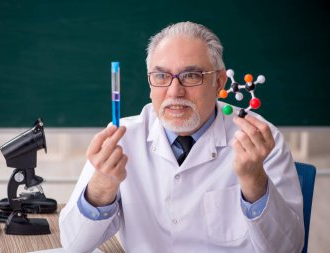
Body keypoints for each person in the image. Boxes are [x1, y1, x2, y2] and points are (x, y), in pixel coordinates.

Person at [59, 21, 304, 253]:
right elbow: (73, 244)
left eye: (191, 75)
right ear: (150, 82)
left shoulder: (260, 139)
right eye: (161, 76)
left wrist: (254, 181)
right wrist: (101, 186)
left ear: (218, 81)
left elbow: (287, 248)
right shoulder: (122, 138)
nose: (175, 91)